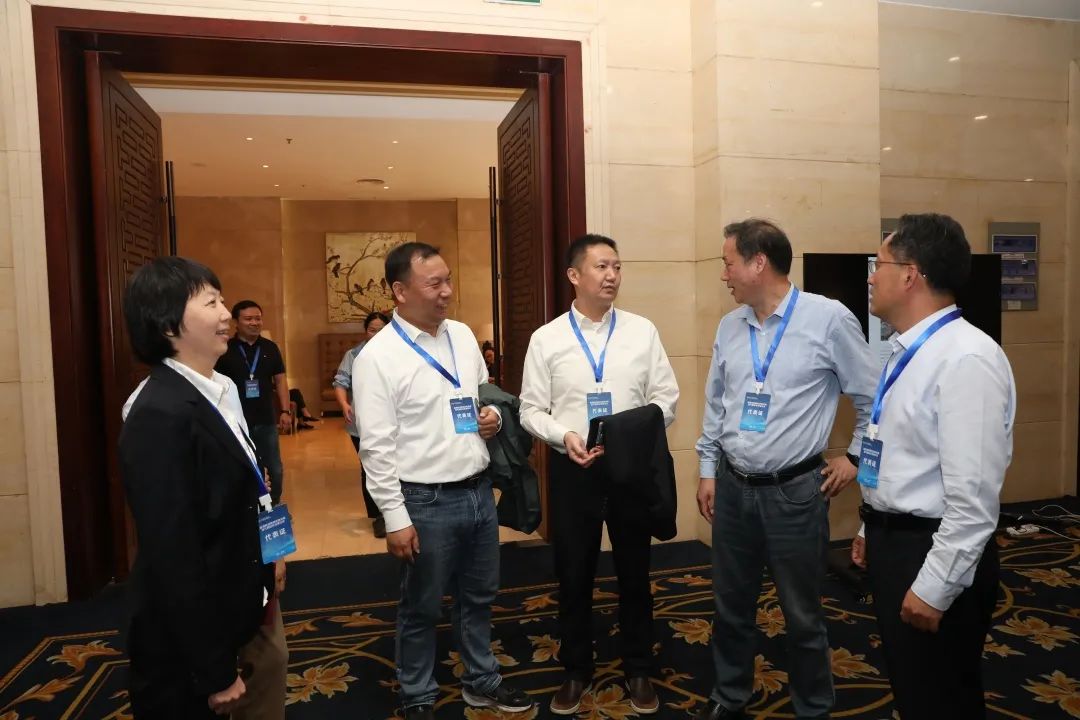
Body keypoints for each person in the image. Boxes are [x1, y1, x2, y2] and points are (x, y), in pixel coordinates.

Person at [694, 219, 877, 720]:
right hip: (733, 487)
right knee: (731, 605)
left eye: (728, 263)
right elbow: (717, 403)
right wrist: (708, 469)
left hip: (794, 492)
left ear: (758, 263)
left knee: (801, 613)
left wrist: (855, 457)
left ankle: (813, 707)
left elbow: (873, 398)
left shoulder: (828, 319)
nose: (724, 275)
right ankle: (729, 695)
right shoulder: (730, 326)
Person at [353, 242, 534, 720]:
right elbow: (376, 447)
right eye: (434, 284)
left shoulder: (462, 336)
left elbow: (481, 395)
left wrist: (493, 416)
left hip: (477, 491)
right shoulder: (378, 358)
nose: (447, 292)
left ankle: (481, 679)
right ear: (400, 291)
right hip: (424, 500)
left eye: (448, 280)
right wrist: (395, 517)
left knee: (480, 596)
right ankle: (417, 695)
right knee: (422, 606)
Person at [853, 213, 1015, 719]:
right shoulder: (907, 350)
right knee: (914, 690)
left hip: (934, 552)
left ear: (909, 274)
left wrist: (934, 587)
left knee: (942, 699)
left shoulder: (966, 359)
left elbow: (973, 501)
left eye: (878, 265)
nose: (870, 277)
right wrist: (870, 525)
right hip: (896, 543)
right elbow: (903, 456)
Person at [118, 257, 287, 719]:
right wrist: (214, 669)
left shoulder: (222, 388)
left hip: (244, 592)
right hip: (194, 633)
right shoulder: (156, 414)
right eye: (211, 303)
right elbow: (174, 554)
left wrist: (275, 552)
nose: (226, 314)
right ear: (167, 324)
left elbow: (256, 486)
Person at [519, 234, 679, 716]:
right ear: (574, 275)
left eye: (617, 266)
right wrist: (564, 435)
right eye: (602, 267)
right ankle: (575, 669)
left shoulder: (641, 331)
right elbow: (530, 409)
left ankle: (638, 667)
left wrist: (631, 436)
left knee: (635, 572)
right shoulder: (547, 338)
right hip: (575, 469)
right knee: (574, 573)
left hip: (630, 470)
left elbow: (666, 398)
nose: (612, 276)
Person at [214, 300, 291, 505]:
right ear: (236, 322)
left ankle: (273, 506)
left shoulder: (270, 348)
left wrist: (285, 411)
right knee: (243, 465)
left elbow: (280, 380)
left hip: (266, 418)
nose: (254, 323)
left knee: (274, 467)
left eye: (258, 318)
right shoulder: (224, 348)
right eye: (248, 319)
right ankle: (249, 506)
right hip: (235, 420)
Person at [332, 310, 390, 537]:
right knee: (370, 467)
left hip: (394, 421)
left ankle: (397, 512)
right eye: (372, 330)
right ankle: (378, 516)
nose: (376, 334)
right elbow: (340, 382)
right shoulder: (354, 354)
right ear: (365, 331)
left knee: (395, 465)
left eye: (381, 330)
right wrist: (344, 405)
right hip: (361, 423)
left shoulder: (398, 352)